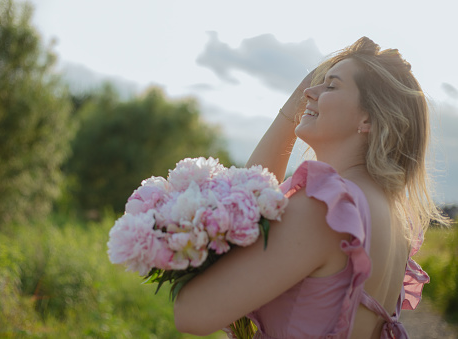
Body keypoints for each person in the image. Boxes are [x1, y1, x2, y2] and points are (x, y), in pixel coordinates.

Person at [173, 37, 449, 338]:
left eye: (330, 86)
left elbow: (192, 315)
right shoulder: (391, 213)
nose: (307, 92)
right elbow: (250, 193)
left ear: (367, 118)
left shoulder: (328, 208)